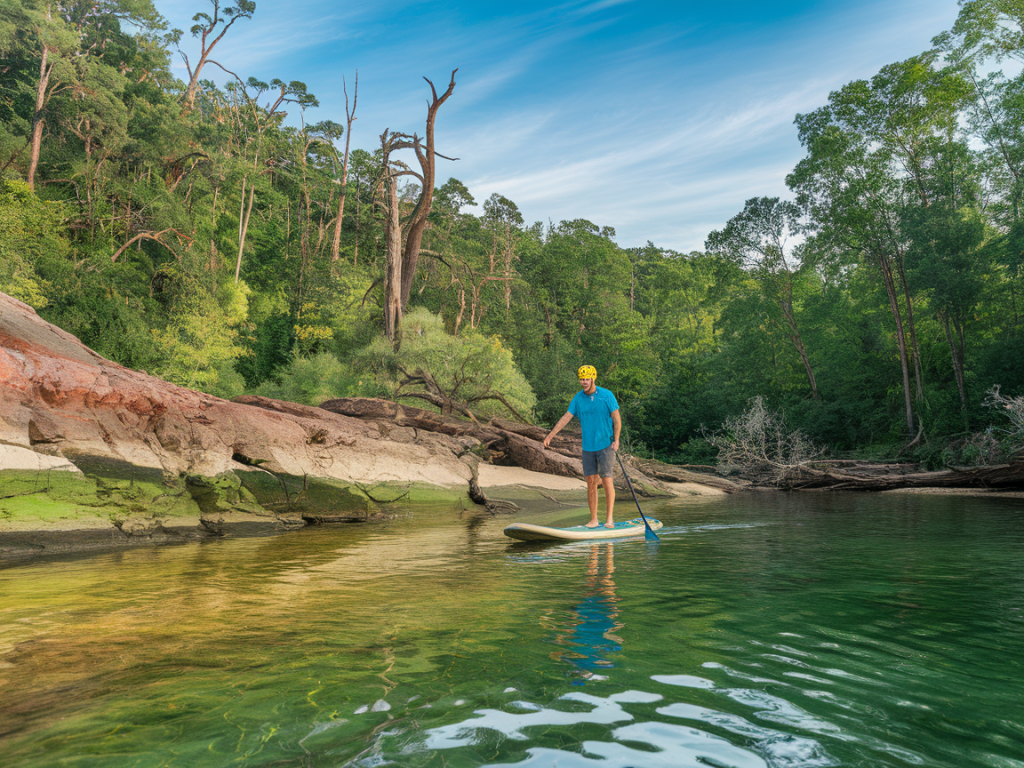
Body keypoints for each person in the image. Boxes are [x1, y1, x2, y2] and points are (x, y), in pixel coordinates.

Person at [542, 365, 621, 528]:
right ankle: (594, 519)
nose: (584, 382)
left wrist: (617, 440)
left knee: (606, 479)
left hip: (606, 444)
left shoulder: (607, 395)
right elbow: (566, 417)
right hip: (588, 447)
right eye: (581, 379)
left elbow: (617, 419)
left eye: (586, 379)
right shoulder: (578, 398)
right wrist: (550, 435)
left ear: (593, 378)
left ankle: (610, 519)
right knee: (590, 482)